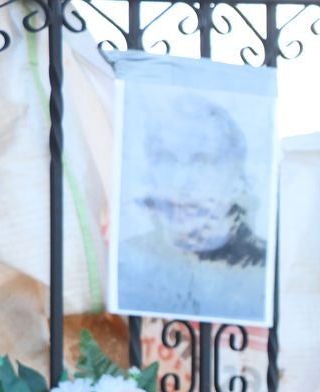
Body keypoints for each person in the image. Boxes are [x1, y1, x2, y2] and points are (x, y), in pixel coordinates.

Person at [114, 90, 268, 323]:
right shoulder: (126, 260)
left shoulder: (264, 268)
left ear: (236, 177)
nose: (181, 182)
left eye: (202, 161)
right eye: (166, 159)